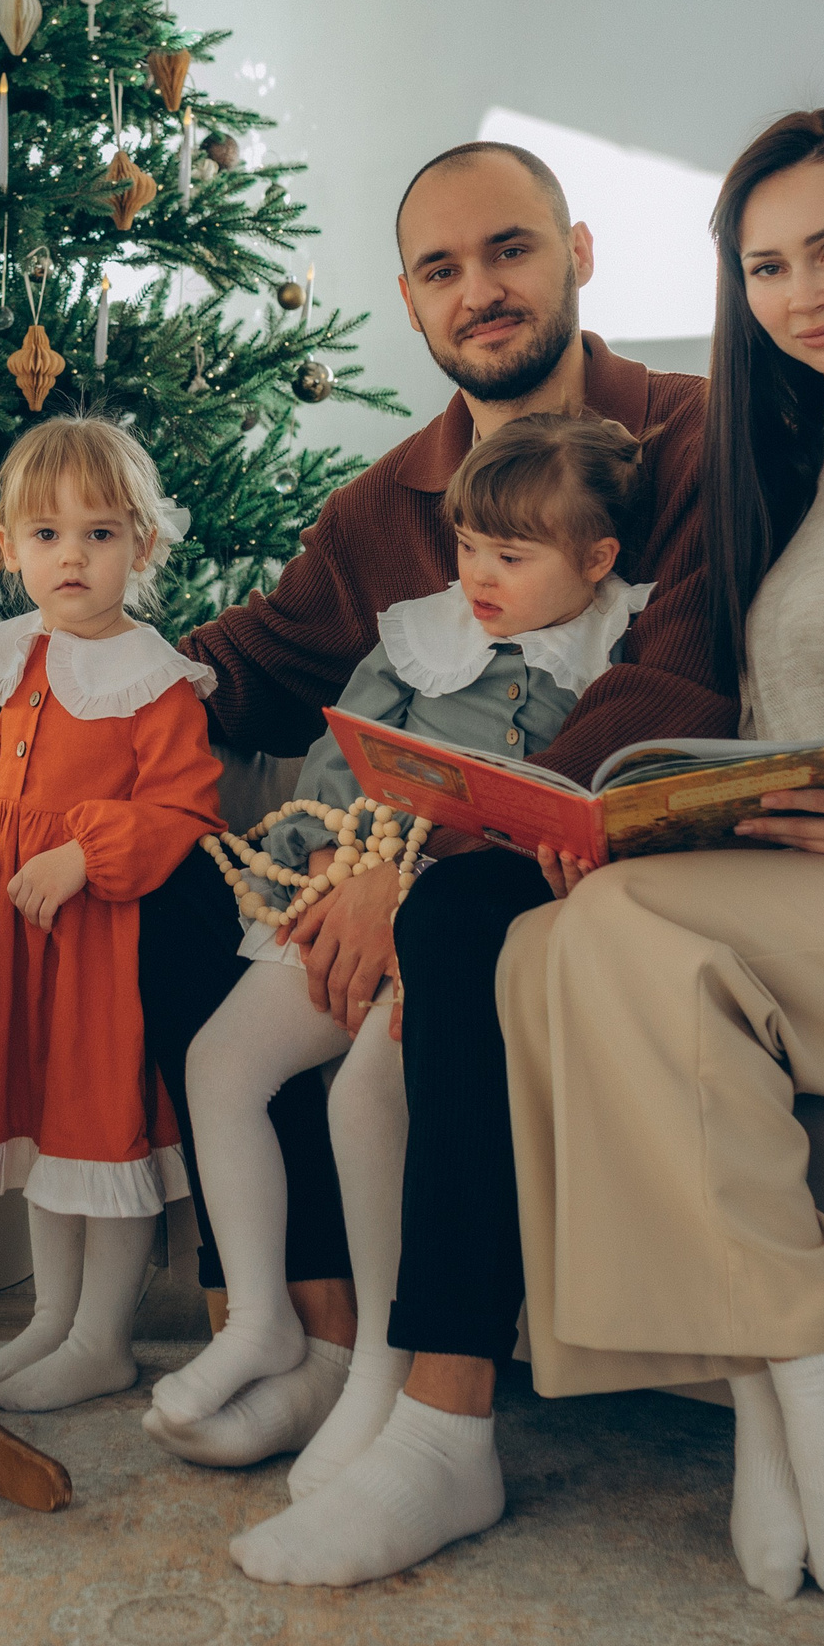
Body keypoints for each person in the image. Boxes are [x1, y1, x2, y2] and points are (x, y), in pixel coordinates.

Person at [238, 108, 824, 1597]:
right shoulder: (807, 466)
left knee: (580, 936)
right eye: (767, 265)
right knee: (559, 936)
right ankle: (767, 1363)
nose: (804, 290)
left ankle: (803, 1351)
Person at [139, 141, 736, 1477]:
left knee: (432, 930)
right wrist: (63, 725)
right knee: (187, 878)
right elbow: (251, 664)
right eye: (442, 268)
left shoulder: (692, 436)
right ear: (409, 300)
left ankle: (421, 1395)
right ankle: (307, 1329)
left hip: (558, 855)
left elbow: (670, 677)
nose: (482, 289)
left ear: (578, 254)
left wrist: (410, 856)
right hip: (388, 849)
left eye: (511, 250)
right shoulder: (383, 513)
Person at [149, 415, 658, 1499]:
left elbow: (616, 782)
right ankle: (260, 1318)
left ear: (597, 559)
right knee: (220, 1066)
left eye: (511, 558)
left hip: (470, 917)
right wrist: (338, 844)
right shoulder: (420, 634)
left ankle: (386, 1366)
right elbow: (342, 754)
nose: (478, 575)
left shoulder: (626, 648)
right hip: (359, 873)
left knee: (363, 1101)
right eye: (468, 545)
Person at [0, 415, 225, 1414]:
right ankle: (53, 1318)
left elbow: (184, 810)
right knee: (44, 1137)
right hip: (16, 942)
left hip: (96, 945)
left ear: (141, 547)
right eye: (45, 535)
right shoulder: (28, 657)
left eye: (98, 534)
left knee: (96, 1129)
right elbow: (2, 752)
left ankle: (103, 1338)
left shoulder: (155, 683)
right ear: (8, 548)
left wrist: (88, 851)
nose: (71, 557)